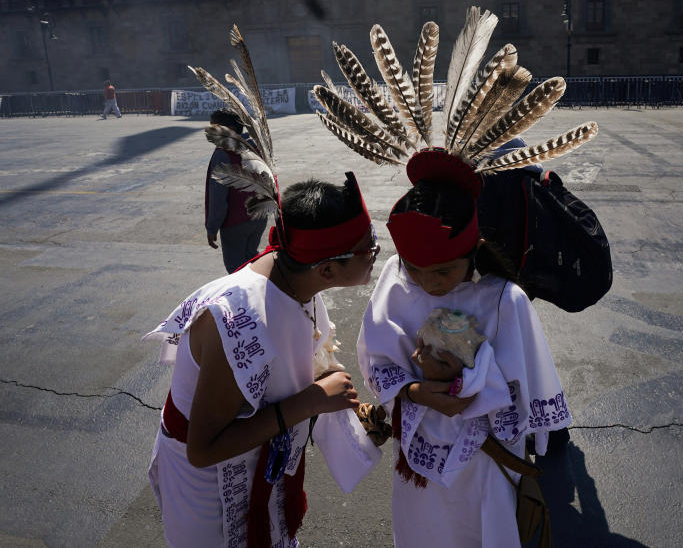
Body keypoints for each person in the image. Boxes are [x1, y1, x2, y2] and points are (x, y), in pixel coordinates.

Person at [145, 172, 381, 547]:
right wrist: (309, 402)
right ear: (327, 269)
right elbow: (203, 449)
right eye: (369, 250)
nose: (375, 255)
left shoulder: (294, 274)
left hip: (260, 460)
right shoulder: (236, 321)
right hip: (209, 490)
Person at [356, 149, 571, 548]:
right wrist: (413, 390)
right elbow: (375, 356)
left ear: (473, 250)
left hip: (483, 463)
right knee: (422, 532)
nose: (429, 284)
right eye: (414, 268)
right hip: (418, 461)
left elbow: (527, 393)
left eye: (443, 271)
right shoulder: (396, 279)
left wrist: (469, 384)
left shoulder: (504, 300)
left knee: (481, 531)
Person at [205, 109, 269, 273]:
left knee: (236, 269)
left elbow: (218, 199)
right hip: (259, 218)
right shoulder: (255, 147)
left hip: (236, 223)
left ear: (231, 130)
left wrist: (212, 228)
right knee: (252, 262)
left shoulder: (223, 154)